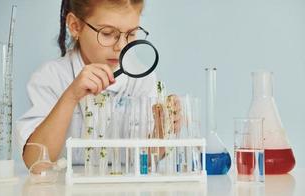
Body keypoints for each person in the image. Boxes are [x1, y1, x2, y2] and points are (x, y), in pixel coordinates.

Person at [16, 0, 181, 169]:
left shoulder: (143, 79)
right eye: (108, 33)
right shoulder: (50, 78)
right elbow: (35, 163)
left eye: (131, 34)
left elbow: (147, 159)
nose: (121, 47)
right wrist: (71, 96)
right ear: (75, 26)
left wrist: (162, 130)